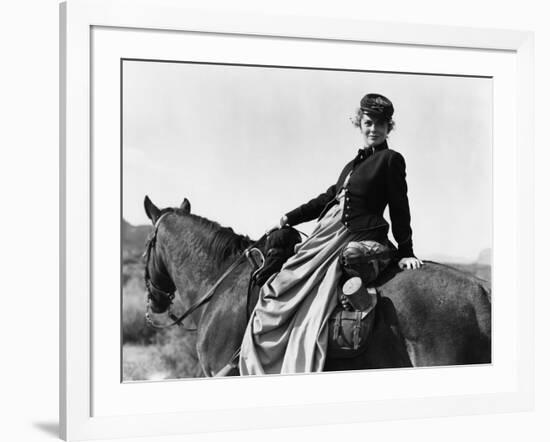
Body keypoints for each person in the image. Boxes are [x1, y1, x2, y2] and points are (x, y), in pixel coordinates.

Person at [239, 93, 423, 375]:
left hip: (355, 235)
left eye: (380, 124)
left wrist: (406, 250)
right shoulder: (352, 166)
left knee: (316, 289)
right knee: (284, 281)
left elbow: (400, 205)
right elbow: (327, 198)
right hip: (326, 234)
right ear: (359, 123)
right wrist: (288, 217)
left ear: (389, 127)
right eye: (368, 123)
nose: (373, 129)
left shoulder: (391, 160)